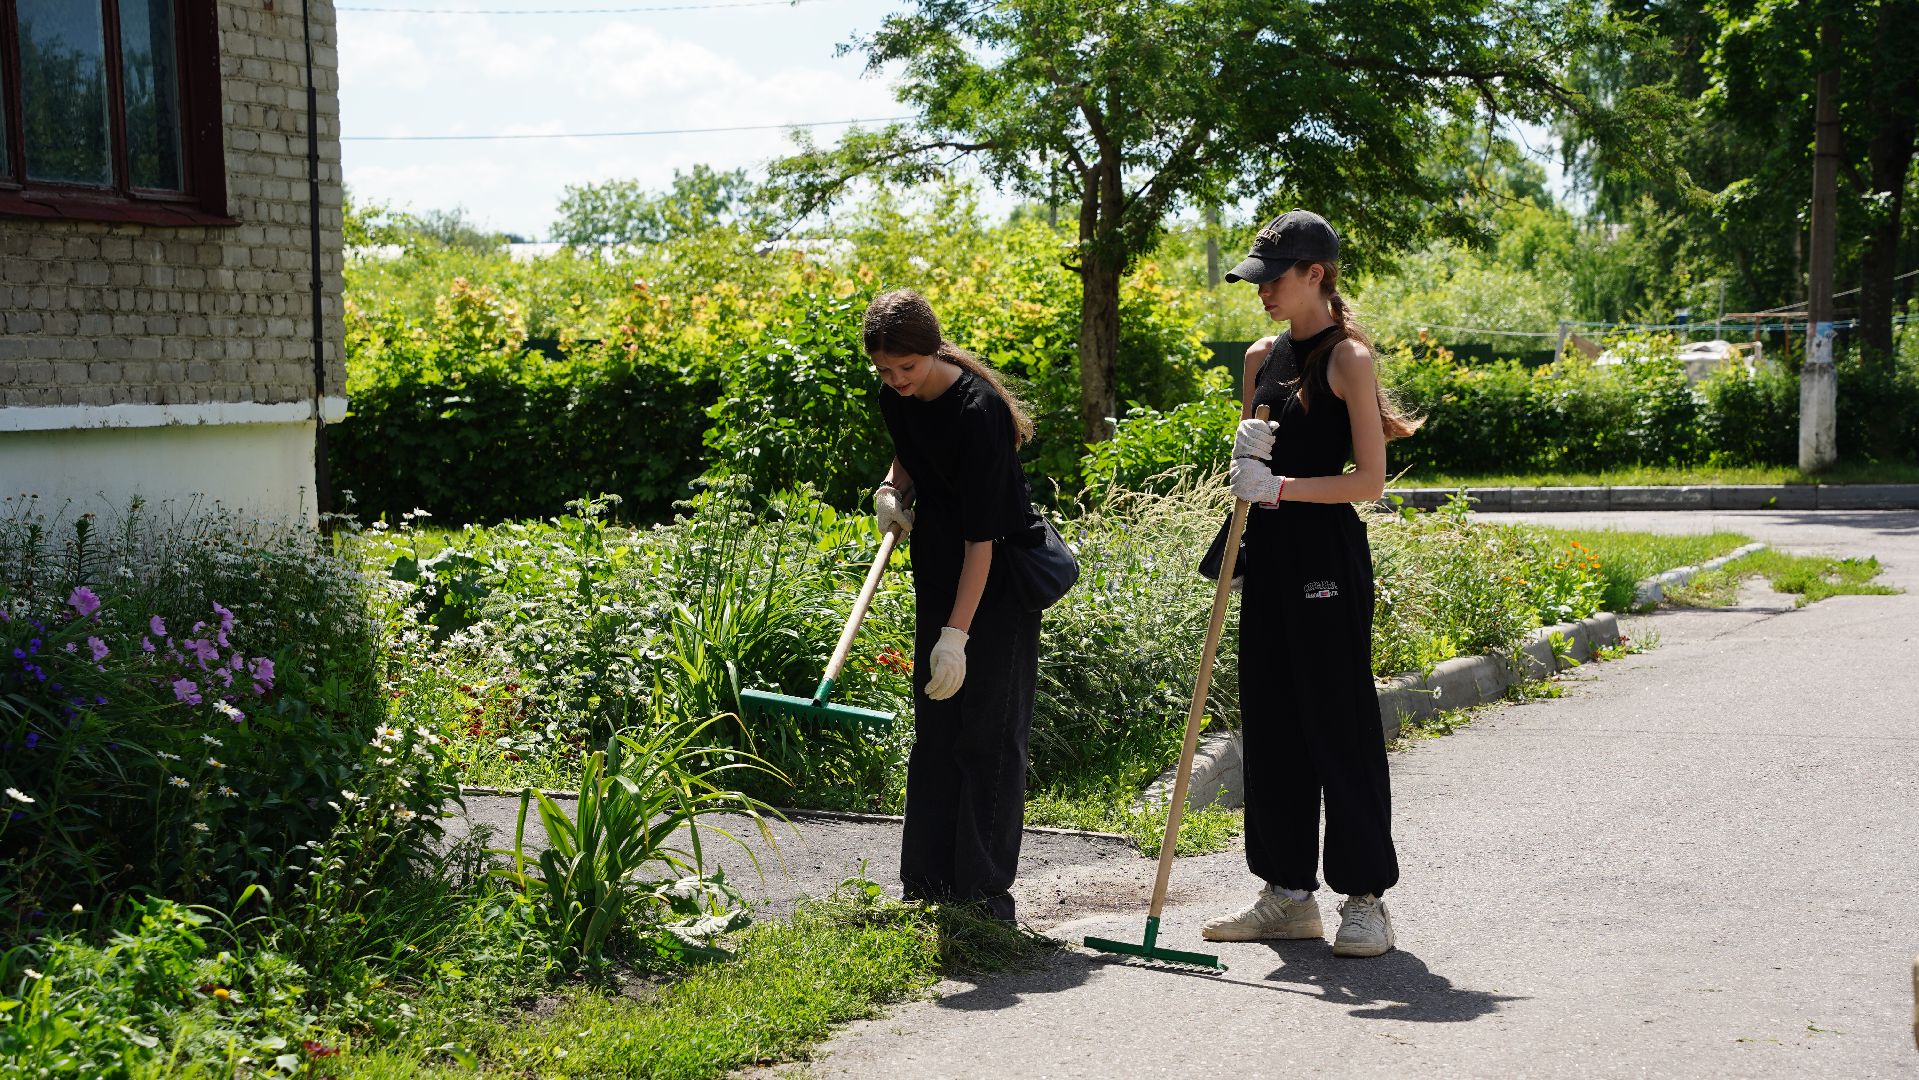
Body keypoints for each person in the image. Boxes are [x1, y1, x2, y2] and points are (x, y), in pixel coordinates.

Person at [1200, 210, 1421, 957]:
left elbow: (1368, 481)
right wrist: (1244, 477)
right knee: (1270, 723)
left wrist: (1279, 487)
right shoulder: (1260, 357)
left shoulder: (1348, 358)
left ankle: (1364, 900)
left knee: (1337, 722)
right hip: (1267, 554)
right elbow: (1248, 476)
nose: (1261, 292)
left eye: (1274, 279)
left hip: (1325, 555)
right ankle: (1287, 894)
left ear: (1315, 276)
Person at [865, 288, 1041, 923]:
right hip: (938, 571)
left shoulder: (980, 411)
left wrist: (957, 636)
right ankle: (928, 883)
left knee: (988, 734)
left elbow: (984, 539)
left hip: (996, 585)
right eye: (885, 371)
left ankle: (985, 893)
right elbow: (910, 453)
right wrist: (892, 487)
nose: (897, 381)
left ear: (932, 350)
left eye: (906, 368)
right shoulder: (896, 397)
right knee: (937, 728)